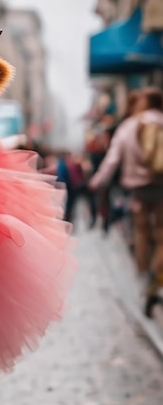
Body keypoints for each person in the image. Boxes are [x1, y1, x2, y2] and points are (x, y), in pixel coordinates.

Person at [89, 86, 163, 317]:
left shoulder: (128, 126)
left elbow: (112, 160)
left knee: (141, 232)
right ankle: (158, 279)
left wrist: (98, 181)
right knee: (161, 233)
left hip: (138, 190)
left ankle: (144, 279)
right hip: (161, 186)